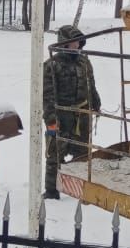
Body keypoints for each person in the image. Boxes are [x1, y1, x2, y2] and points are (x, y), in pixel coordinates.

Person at [42, 24, 101, 199]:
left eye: (78, 41)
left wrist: (96, 104)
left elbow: (91, 85)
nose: (76, 45)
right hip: (61, 116)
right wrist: (51, 119)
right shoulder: (52, 65)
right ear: (64, 43)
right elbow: (48, 95)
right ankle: (52, 191)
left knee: (82, 154)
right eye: (72, 42)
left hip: (81, 116)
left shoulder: (84, 61)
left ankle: (81, 189)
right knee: (55, 154)